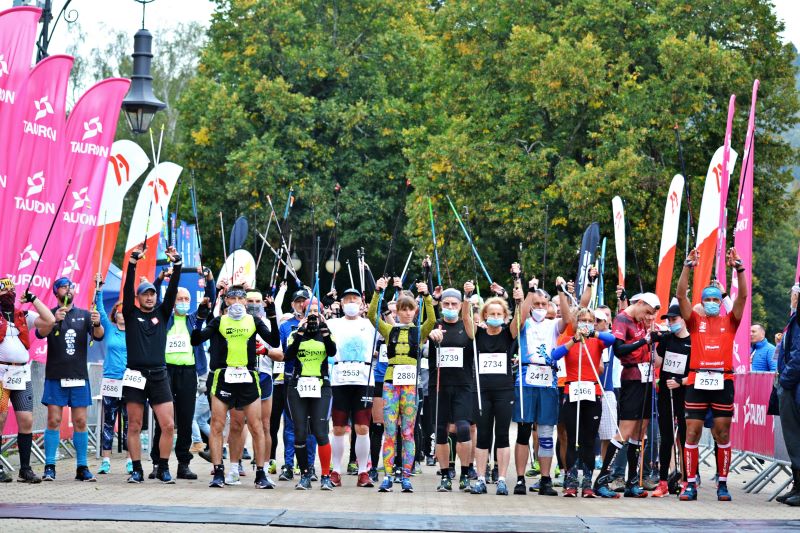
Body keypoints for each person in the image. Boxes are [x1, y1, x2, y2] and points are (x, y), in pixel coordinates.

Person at [191, 285, 279, 489]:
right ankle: (218, 472)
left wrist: (273, 316)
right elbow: (196, 339)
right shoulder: (219, 321)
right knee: (217, 425)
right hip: (223, 376)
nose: (237, 302)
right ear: (226, 300)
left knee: (256, 425)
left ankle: (260, 474)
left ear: (246, 302)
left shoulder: (254, 321)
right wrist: (200, 316)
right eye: (233, 298)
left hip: (247, 376)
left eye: (241, 298)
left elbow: (274, 341)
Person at [677, 247, 746, 501]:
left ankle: (723, 484)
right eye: (708, 299)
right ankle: (690, 484)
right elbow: (680, 295)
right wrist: (687, 266)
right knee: (692, 432)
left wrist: (739, 268)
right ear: (703, 302)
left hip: (723, 380)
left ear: (721, 301)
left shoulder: (730, 321)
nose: (713, 303)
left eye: (717, 300)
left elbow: (743, 297)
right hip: (697, 381)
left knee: (722, 433)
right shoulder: (695, 321)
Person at [122, 245, 183, 484]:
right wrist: (132, 263)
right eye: (145, 294)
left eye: (152, 294)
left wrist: (177, 265)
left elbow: (172, 290)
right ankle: (137, 469)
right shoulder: (130, 313)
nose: (149, 297)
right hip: (135, 376)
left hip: (159, 375)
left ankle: (163, 468)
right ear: (138, 298)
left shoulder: (163, 313)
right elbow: (127, 289)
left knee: (168, 425)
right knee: (134, 425)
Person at [369, 275, 435, 493]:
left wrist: (427, 296)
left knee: (407, 432)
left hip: (410, 387)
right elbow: (371, 316)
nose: (406, 313)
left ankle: (406, 475)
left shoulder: (420, 331)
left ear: (415, 311)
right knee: (389, 431)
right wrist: (378, 292)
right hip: (390, 385)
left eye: (410, 309)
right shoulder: (390, 330)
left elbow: (432, 320)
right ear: (396, 311)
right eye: (402, 309)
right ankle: (388, 476)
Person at [148, 272, 215, 481]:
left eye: (186, 299)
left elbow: (210, 300)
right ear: (172, 300)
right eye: (179, 298)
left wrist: (210, 281)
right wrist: (160, 279)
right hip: (165, 372)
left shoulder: (193, 319)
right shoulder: (164, 317)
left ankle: (183, 464)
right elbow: (153, 297)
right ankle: (158, 463)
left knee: (186, 419)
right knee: (164, 420)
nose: (183, 302)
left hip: (188, 373)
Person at [593, 291, 661, 498]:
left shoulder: (642, 321)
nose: (648, 317)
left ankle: (633, 481)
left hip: (646, 378)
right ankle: (602, 479)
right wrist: (645, 341)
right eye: (647, 312)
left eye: (652, 314)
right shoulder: (622, 319)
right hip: (631, 379)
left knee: (641, 431)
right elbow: (619, 350)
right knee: (625, 431)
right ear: (639, 303)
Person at [512, 276, 572, 497]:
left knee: (546, 432)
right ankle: (520, 478)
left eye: (543, 304)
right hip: (526, 379)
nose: (539, 307)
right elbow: (515, 325)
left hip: (548, 380)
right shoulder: (524, 322)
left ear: (549, 306)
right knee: (524, 431)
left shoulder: (553, 325)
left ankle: (546, 478)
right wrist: (529, 292)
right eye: (536, 304)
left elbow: (568, 320)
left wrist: (561, 292)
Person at [41, 276, 104, 482]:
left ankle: (82, 467)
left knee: (80, 421)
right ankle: (49, 466)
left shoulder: (84, 314)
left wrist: (97, 323)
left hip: (78, 376)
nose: (68, 289)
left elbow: (99, 335)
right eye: (63, 287)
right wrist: (54, 320)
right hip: (55, 376)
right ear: (56, 292)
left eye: (71, 286)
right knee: (54, 420)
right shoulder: (50, 314)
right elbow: (40, 333)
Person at [551, 307, 615, 497]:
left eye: (589, 320)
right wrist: (574, 340)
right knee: (572, 438)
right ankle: (571, 480)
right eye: (582, 320)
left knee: (589, 439)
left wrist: (594, 333)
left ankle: (587, 481)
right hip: (572, 392)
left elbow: (612, 340)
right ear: (576, 322)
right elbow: (555, 355)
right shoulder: (570, 338)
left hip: (592, 392)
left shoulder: (597, 340)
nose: (586, 323)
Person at [470, 268, 522, 496]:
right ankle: (481, 478)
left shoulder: (508, 334)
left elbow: (520, 316)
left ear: (504, 316)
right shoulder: (478, 334)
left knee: (502, 435)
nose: (495, 316)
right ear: (484, 315)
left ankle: (501, 479)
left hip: (504, 391)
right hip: (482, 391)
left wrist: (519, 293)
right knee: (483, 435)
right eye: (491, 313)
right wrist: (467, 299)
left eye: (499, 313)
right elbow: (466, 321)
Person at [0, 277, 54, 483]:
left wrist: (33, 299)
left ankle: (25, 469)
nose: (8, 295)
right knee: (1, 417)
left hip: (21, 374)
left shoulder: (23, 315)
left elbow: (49, 320)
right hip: (1, 375)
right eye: (4, 292)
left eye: (11, 292)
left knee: (26, 420)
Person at [282, 299, 337, 490]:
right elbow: (288, 356)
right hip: (298, 385)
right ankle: (305, 474)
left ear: (322, 314)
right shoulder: (295, 333)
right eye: (309, 311)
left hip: (321, 386)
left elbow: (332, 351)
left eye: (316, 311)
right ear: (303, 314)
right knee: (299, 432)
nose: (313, 314)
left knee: (320, 432)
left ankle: (325, 476)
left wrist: (325, 332)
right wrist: (300, 332)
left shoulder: (326, 332)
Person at [429, 283, 477, 493]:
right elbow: (423, 333)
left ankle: (465, 473)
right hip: (439, 385)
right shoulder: (435, 325)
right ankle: (445, 475)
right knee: (441, 431)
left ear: (460, 306)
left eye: (454, 304)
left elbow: (472, 325)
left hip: (463, 385)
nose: (450, 307)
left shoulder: (466, 325)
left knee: (464, 428)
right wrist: (432, 336)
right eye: (446, 303)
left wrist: (467, 296)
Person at [327, 288, 376, 488]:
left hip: (364, 379)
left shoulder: (370, 324)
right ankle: (336, 470)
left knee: (362, 427)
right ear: (341, 303)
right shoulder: (332, 323)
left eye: (355, 299)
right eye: (347, 299)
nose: (351, 303)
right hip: (340, 379)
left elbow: (389, 327)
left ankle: (363, 471)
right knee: (338, 428)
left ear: (361, 303)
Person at [277, 288, 318, 482]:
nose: (302, 305)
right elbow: (283, 351)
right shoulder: (286, 326)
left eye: (305, 301)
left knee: (311, 425)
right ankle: (288, 465)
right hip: (291, 378)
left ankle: (309, 466)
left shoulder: (320, 325)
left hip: (313, 378)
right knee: (290, 424)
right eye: (298, 301)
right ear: (293, 304)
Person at [651, 303, 690, 497]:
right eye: (669, 320)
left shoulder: (692, 341)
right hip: (666, 393)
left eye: (674, 319)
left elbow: (697, 372)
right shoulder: (667, 339)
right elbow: (657, 363)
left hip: (685, 395)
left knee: (685, 438)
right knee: (666, 438)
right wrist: (653, 343)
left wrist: (681, 382)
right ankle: (663, 482)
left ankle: (687, 480)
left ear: (683, 319)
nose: (671, 323)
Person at [94, 274, 131, 475]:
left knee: (130, 422)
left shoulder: (134, 331)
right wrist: (98, 290)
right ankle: (106, 460)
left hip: (130, 381)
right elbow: (99, 310)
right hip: (111, 380)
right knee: (109, 420)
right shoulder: (109, 328)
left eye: (125, 312)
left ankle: (130, 460)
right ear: (114, 315)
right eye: (119, 312)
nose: (122, 315)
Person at [250, 289, 283, 488]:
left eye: (257, 301)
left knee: (264, 425)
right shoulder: (235, 321)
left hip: (264, 376)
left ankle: (266, 465)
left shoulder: (267, 324)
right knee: (239, 424)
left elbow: (279, 353)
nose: (254, 304)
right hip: (242, 375)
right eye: (250, 301)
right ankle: (236, 467)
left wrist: (264, 351)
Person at [777, 286, 800, 506]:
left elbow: (797, 355)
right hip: (793, 386)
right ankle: (797, 485)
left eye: (793, 294)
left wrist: (785, 381)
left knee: (795, 438)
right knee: (793, 440)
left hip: (794, 387)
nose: (791, 298)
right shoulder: (794, 319)